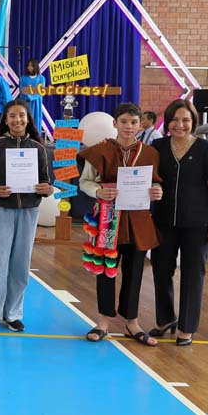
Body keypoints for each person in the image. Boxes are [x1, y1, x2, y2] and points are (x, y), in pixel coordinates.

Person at [77, 103, 163, 344]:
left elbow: (155, 182)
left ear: (140, 125)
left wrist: (157, 191)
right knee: (105, 269)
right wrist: (98, 192)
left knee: (135, 272)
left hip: (137, 221)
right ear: (114, 123)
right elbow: (85, 182)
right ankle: (103, 321)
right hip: (107, 219)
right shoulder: (99, 151)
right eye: (124, 121)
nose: (129, 127)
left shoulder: (150, 153)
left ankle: (132, 322)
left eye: (134, 122)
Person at [0, 99, 52, 333]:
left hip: (29, 211)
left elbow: (45, 181)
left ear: (28, 119)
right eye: (13, 116)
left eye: (21, 116)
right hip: (1, 209)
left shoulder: (38, 148)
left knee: (21, 264)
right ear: (6, 120)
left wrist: (46, 189)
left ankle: (12, 313)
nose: (18, 120)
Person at [150, 99, 208, 346]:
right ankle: (165, 319)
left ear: (194, 122)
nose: (179, 125)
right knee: (161, 270)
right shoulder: (157, 146)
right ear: (167, 122)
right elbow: (150, 177)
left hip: (197, 223)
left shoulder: (206, 149)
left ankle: (187, 327)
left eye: (185, 120)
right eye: (174, 119)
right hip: (163, 220)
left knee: (193, 274)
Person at [18, 59, 45, 133]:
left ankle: (35, 136)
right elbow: (21, 90)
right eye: (28, 65)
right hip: (26, 102)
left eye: (31, 66)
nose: (29, 67)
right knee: (26, 120)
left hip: (36, 103)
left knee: (35, 120)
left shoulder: (41, 78)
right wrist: (26, 96)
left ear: (35, 67)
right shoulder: (23, 78)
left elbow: (40, 91)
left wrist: (31, 97)